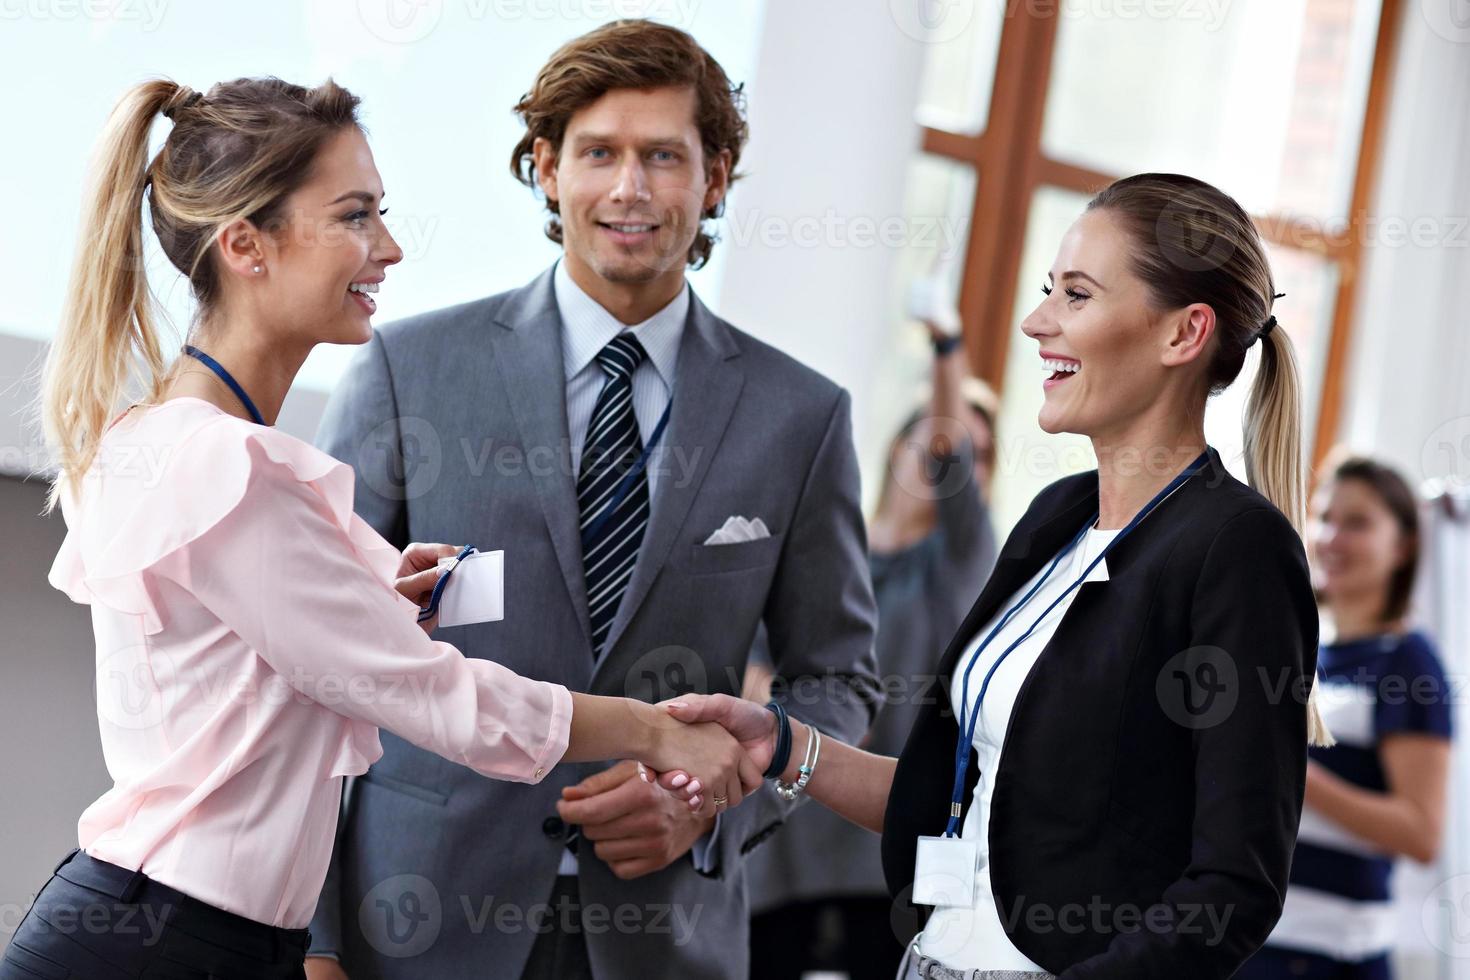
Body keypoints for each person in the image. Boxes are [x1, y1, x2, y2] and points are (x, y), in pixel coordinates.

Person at [0, 76, 754, 980]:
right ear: (247, 244)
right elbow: (440, 699)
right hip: (169, 945)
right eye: (355, 216)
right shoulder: (228, 471)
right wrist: (657, 731)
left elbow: (262, 667)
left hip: (177, 932)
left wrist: (387, 608)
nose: (389, 247)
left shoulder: (172, 443)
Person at [304, 19, 879, 980]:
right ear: (546, 167)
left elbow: (840, 680)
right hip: (411, 924)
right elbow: (316, 660)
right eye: (599, 153)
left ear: (717, 180)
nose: (630, 188)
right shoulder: (410, 368)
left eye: (664, 156)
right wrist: (317, 943)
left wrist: (712, 801)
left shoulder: (802, 415)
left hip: (666, 934)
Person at [658, 172, 1335, 979]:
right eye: (1051, 290)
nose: (1035, 321)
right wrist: (784, 746)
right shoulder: (1056, 516)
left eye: (1076, 296)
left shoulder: (1236, 550)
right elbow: (955, 795)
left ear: (1184, 334)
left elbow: (1237, 887)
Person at [745, 312, 1000, 979]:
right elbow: (758, 653)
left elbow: (954, 454)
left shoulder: (962, 564)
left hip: (883, 852)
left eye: (974, 451)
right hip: (785, 833)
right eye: (936, 436)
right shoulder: (830, 549)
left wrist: (948, 342)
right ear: (894, 446)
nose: (947, 455)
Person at [1239, 455, 1453, 979]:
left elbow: (1421, 834)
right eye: (1325, 517)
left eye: (1357, 523)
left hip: (1327, 957)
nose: (1332, 537)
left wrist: (1295, 775)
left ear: (1402, 547)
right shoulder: (1301, 646)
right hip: (1250, 942)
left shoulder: (1407, 663)